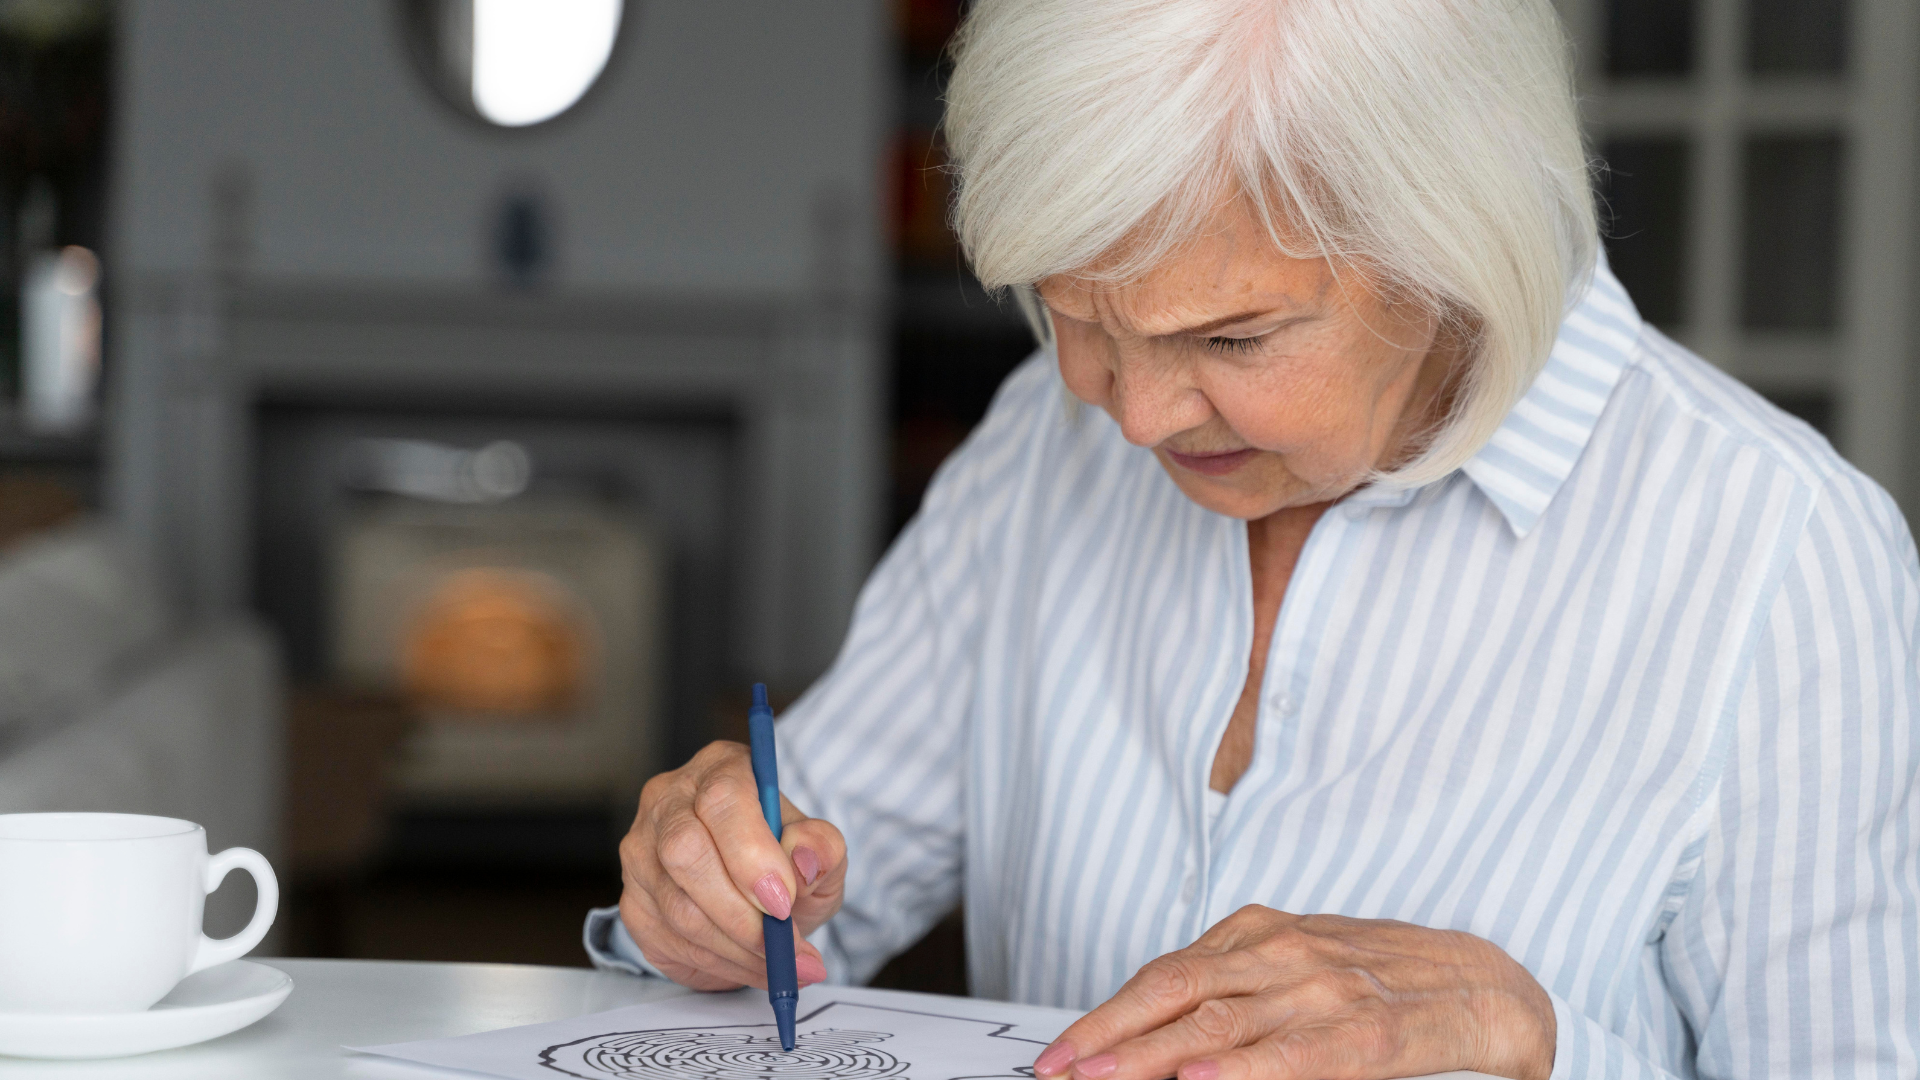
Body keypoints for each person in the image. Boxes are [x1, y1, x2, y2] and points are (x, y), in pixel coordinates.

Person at [586, 1, 1920, 1078]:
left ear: (1462, 247)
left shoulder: (1780, 557)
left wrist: (1533, 1044)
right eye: (1083, 322)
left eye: (1232, 339)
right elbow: (812, 886)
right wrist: (712, 895)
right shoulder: (1035, 440)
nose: (1136, 416)